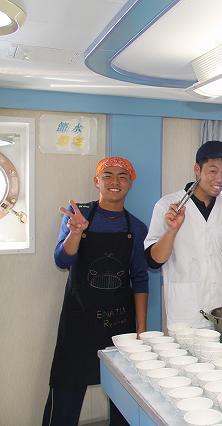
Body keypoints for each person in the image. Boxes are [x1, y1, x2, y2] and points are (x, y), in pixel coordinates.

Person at [44, 157, 148, 426]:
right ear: (96, 181)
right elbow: (61, 260)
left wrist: (141, 329)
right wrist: (76, 233)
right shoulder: (77, 214)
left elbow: (139, 279)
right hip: (78, 320)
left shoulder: (136, 227)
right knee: (66, 386)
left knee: (124, 393)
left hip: (119, 324)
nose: (115, 181)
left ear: (130, 183)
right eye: (107, 175)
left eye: (123, 176)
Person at [145, 140, 222, 329]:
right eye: (213, 171)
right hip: (187, 312)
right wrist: (172, 230)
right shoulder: (167, 206)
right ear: (197, 169)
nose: (220, 179)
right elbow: (153, 261)